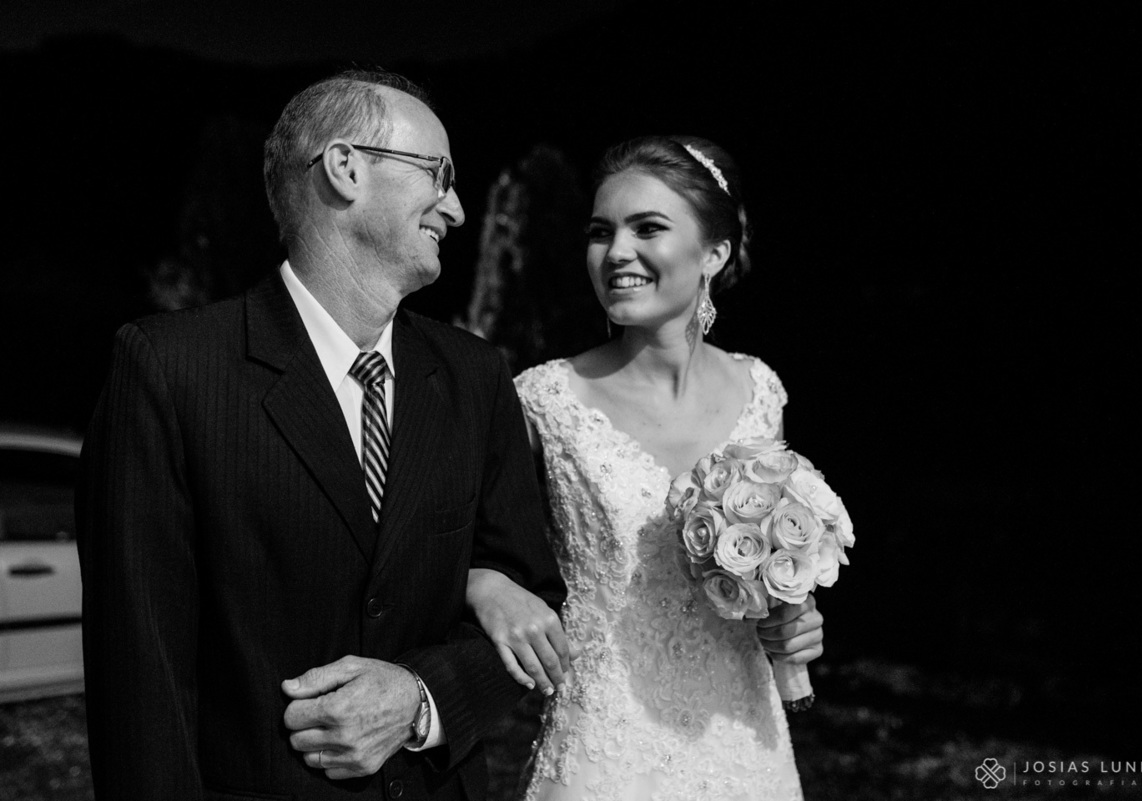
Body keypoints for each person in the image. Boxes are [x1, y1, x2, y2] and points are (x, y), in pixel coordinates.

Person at [76, 69, 567, 800]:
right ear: (345, 168)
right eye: (439, 173)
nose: (458, 209)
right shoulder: (170, 370)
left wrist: (421, 699)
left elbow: (532, 603)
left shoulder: (474, 376)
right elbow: (140, 681)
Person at [474, 135, 826, 800]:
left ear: (714, 254)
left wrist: (794, 618)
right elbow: (468, 543)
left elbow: (771, 580)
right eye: (601, 232)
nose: (617, 253)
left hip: (747, 749)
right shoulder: (544, 400)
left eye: (649, 228)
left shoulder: (761, 392)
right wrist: (485, 584)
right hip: (603, 754)